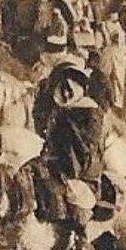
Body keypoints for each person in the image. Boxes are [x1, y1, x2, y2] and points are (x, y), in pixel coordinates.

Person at [39, 64, 107, 239]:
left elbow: (90, 142)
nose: (67, 94)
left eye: (71, 90)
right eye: (64, 90)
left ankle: (81, 236)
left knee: (76, 194)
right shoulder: (60, 110)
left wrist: (67, 128)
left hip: (83, 164)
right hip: (59, 159)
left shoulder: (91, 110)